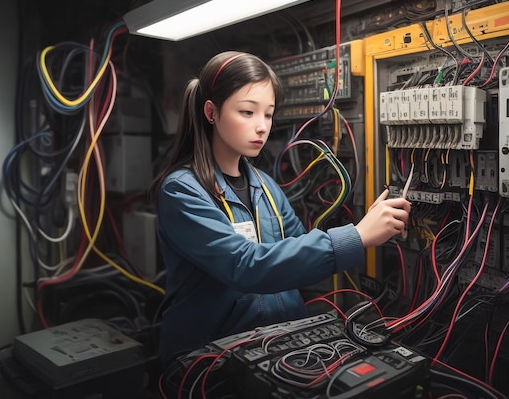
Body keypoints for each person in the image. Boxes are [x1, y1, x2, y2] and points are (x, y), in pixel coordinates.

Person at [149, 51, 411, 366]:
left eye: (269, 114)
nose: (262, 127)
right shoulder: (182, 191)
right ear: (211, 112)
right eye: (247, 112)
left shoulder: (266, 187)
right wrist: (357, 236)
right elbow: (245, 267)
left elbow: (297, 259)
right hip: (211, 361)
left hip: (277, 351)